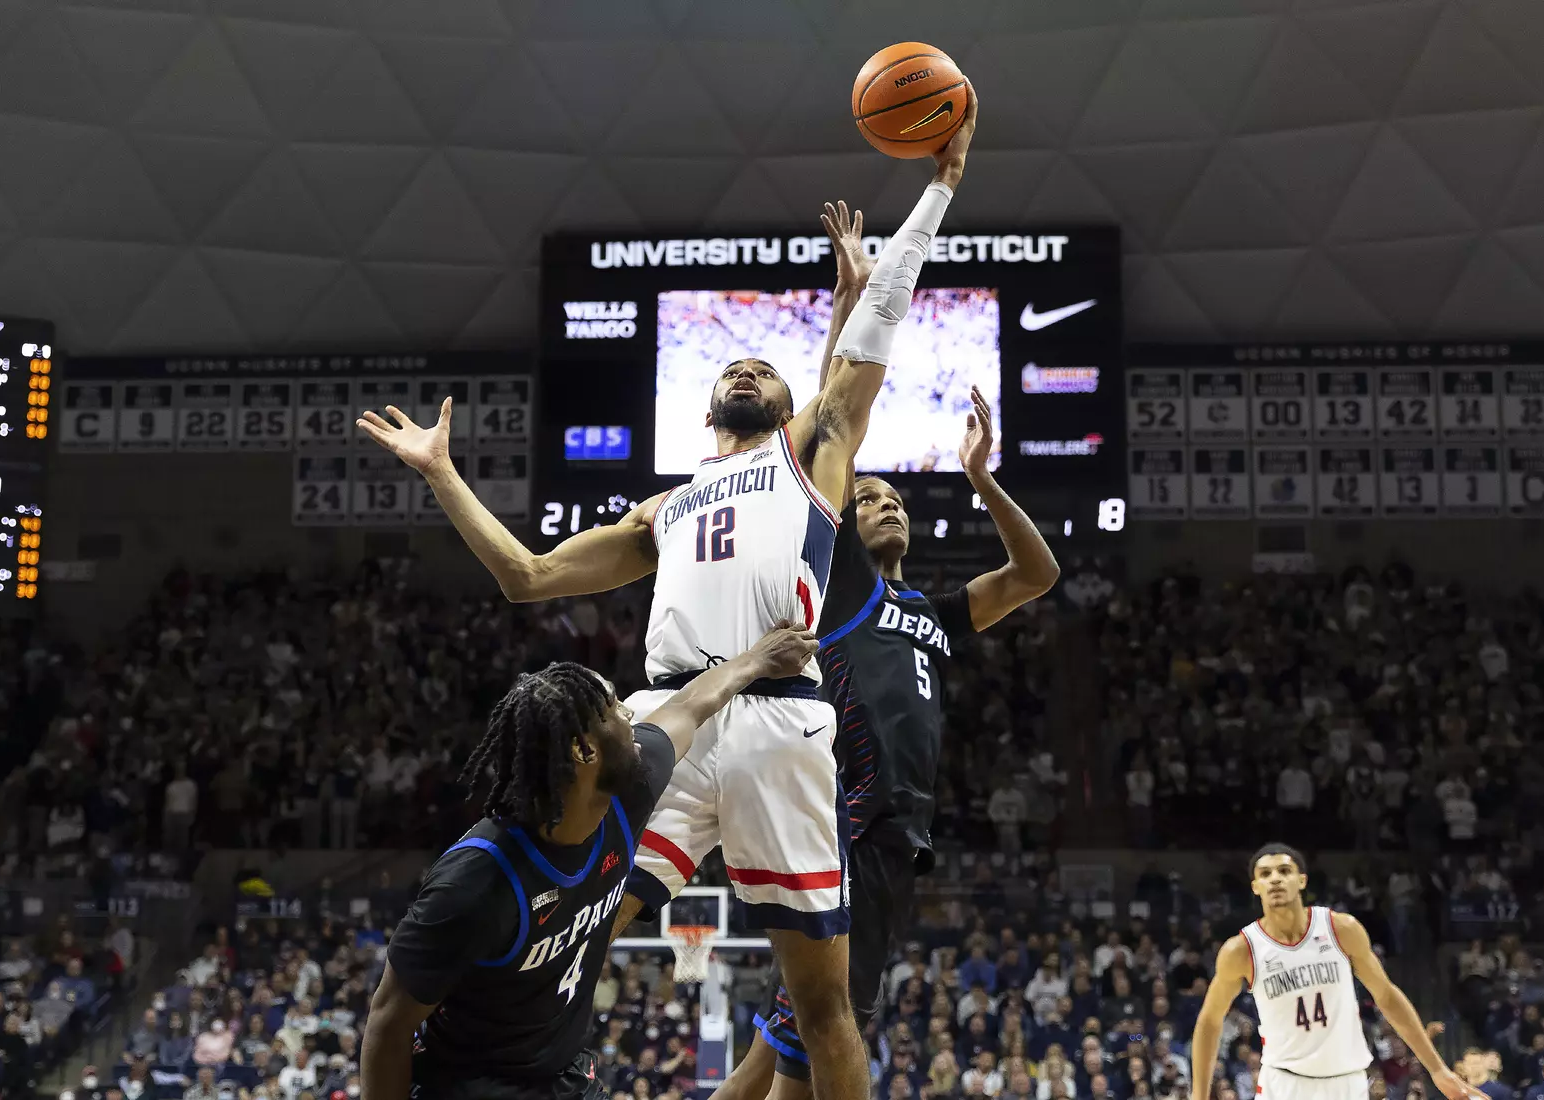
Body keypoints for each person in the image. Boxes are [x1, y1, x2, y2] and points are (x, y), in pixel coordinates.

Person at [360, 91, 979, 1100]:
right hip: (666, 724)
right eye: (731, 364)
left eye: (766, 368)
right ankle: (514, 1070)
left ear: (795, 406)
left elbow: (873, 331)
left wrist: (939, 188)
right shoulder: (665, 505)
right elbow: (526, 575)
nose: (745, 365)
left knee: (823, 1005)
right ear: (706, 406)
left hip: (781, 717)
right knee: (571, 917)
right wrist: (441, 474)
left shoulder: (812, 453)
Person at [714, 212, 1057, 1099]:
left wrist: (982, 481)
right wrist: (848, 305)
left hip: (897, 828)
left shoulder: (935, 610)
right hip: (849, 813)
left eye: (897, 497)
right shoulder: (846, 584)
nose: (886, 503)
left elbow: (1037, 573)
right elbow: (830, 438)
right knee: (830, 1031)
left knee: (793, 1041)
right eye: (868, 499)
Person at [360, 624, 818, 1100]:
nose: (630, 713)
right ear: (585, 751)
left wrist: (760, 660)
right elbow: (387, 1023)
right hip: (476, 1086)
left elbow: (689, 704)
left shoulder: (630, 788)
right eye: (616, 708)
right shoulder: (474, 884)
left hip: (564, 1076)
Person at [1190, 844, 1486, 1100]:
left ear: (1302, 880)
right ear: (1255, 887)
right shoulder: (1242, 949)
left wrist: (1437, 1069)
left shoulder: (1340, 929)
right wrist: (1198, 1096)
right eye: (1265, 874)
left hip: (1348, 1081)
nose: (1275, 879)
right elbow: (1209, 1021)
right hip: (1284, 1083)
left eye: (1284, 871)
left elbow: (1386, 995)